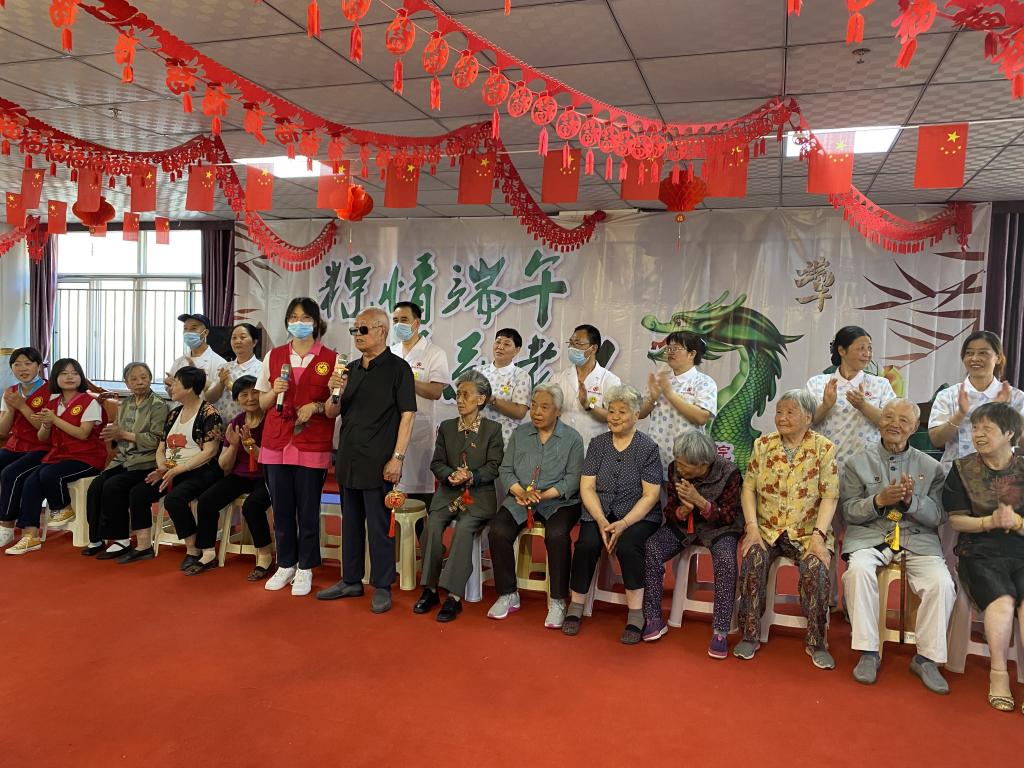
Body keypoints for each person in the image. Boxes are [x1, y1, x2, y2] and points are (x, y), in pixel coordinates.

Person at [840, 398, 955, 693]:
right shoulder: (856, 463)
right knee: (857, 572)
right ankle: (868, 651)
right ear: (880, 421)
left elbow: (939, 516)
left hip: (917, 537)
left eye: (903, 420)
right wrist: (878, 500)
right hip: (871, 535)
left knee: (941, 584)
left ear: (914, 428)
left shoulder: (932, 468)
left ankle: (926, 659)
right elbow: (849, 511)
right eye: (889, 417)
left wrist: (911, 501)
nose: (894, 424)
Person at [316, 306, 415, 614]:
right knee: (350, 524)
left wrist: (397, 458)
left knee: (379, 526)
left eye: (363, 329)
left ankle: (382, 585)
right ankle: (351, 580)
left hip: (380, 460)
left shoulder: (398, 369)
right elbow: (331, 412)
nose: (357, 336)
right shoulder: (349, 370)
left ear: (381, 331)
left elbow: (408, 416)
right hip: (348, 458)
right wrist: (335, 391)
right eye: (354, 330)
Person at [733, 389, 840, 669]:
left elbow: (830, 496)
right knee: (754, 559)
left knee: (816, 569)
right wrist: (752, 528)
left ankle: (817, 641)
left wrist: (818, 537)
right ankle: (750, 634)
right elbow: (748, 488)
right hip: (767, 528)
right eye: (779, 412)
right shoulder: (763, 445)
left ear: (808, 417)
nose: (782, 418)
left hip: (807, 531)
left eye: (790, 412)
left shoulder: (823, 448)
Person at [562, 385, 662, 643]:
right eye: (611, 411)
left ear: (636, 415)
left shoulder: (648, 448)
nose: (615, 417)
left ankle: (636, 614)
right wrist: (601, 520)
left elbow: (650, 495)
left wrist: (624, 523)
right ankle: (576, 605)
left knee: (629, 546)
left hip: (637, 515)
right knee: (586, 544)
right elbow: (587, 487)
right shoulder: (598, 444)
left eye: (622, 412)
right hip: (600, 511)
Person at [942, 402, 1024, 713]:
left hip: (1020, 548)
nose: (978, 434)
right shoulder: (963, 469)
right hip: (979, 551)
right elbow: (956, 521)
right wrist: (989, 521)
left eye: (987, 429)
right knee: (1003, 601)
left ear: (1009, 433)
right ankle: (999, 674)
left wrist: (1017, 522)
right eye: (975, 428)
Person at [255, 297, 338, 596]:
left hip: (312, 444)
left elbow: (335, 409)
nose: (298, 323)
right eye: (293, 317)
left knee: (307, 509)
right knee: (281, 508)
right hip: (276, 442)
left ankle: (306, 567)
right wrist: (274, 391)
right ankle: (286, 563)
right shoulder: (274, 356)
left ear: (316, 323)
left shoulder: (332, 359)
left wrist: (317, 405)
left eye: (305, 318)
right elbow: (261, 402)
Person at [488, 382, 584, 629]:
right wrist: (520, 492)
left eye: (544, 407)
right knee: (498, 530)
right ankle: (508, 594)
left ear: (558, 411)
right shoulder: (520, 434)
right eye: (533, 406)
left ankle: (558, 600)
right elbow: (506, 469)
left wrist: (542, 495)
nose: (537, 412)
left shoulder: (572, 438)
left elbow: (573, 479)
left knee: (557, 535)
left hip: (559, 502)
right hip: (521, 499)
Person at [641, 429, 742, 658]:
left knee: (726, 561)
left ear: (703, 464)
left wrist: (701, 503)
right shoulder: (674, 469)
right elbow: (670, 510)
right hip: (683, 527)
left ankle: (720, 631)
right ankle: (653, 617)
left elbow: (729, 516)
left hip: (720, 529)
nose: (679, 467)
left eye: (685, 464)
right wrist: (682, 511)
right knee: (653, 547)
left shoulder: (729, 472)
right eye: (677, 461)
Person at [413, 370, 504, 622]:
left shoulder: (492, 430)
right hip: (448, 493)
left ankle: (453, 596)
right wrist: (450, 475)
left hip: (478, 496)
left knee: (464, 529)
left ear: (481, 399)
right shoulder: (447, 427)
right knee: (432, 526)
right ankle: (430, 589)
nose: (460, 400)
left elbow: (494, 466)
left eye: (466, 395)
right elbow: (437, 463)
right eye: (459, 394)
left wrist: (471, 475)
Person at [117, 366, 224, 565]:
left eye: (175, 383)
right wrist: (163, 468)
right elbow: (161, 447)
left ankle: (193, 549)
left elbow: (210, 451)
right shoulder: (174, 413)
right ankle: (143, 546)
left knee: (175, 499)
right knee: (138, 492)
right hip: (171, 469)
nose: (170, 387)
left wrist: (178, 470)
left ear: (189, 387)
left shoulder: (209, 413)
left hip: (201, 470)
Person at [4, 358, 108, 555]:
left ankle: (62, 506)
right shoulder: (53, 403)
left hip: (87, 458)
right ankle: (30, 535)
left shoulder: (90, 402)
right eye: (64, 373)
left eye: (75, 373)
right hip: (60, 456)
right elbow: (43, 437)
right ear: (55, 378)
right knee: (30, 481)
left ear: (81, 377)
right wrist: (46, 424)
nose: (70, 377)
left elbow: (82, 434)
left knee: (49, 474)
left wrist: (54, 419)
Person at [190, 376, 273, 579]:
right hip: (240, 476)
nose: (250, 398)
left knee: (252, 506)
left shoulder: (271, 420)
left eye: (255, 392)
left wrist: (251, 447)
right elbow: (224, 465)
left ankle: (264, 556)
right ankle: (208, 553)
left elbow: (271, 461)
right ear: (236, 400)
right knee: (206, 501)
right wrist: (235, 445)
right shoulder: (236, 422)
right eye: (244, 394)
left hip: (267, 476)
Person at [84, 362, 169, 559]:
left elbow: (156, 440)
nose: (140, 382)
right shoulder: (126, 403)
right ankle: (96, 538)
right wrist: (112, 434)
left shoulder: (158, 405)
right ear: (127, 383)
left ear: (150, 379)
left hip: (146, 462)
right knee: (96, 486)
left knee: (114, 486)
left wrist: (123, 434)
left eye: (144, 377)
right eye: (134, 379)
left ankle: (121, 539)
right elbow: (118, 433)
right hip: (124, 459)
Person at [929, 331, 1024, 468]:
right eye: (969, 353)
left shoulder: (1016, 397)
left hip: (1002, 473)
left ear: (998, 358)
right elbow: (936, 440)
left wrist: (1003, 412)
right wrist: (960, 415)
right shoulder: (948, 395)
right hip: (956, 473)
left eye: (983, 353)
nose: (974, 358)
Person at [807, 326, 896, 468]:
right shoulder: (817, 383)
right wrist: (825, 406)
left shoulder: (881, 384)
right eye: (861, 348)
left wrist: (863, 406)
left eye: (870, 348)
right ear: (842, 350)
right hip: (825, 465)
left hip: (868, 467)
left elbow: (892, 424)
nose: (867, 354)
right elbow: (806, 423)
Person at [389, 301, 450, 506]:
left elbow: (436, 391)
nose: (398, 325)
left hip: (419, 431)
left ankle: (423, 528)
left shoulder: (434, 353)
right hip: (390, 429)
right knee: (390, 494)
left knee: (418, 497)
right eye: (395, 320)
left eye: (404, 320)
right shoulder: (390, 352)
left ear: (416, 323)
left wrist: (407, 380)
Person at [638, 331, 718, 471]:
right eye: (669, 348)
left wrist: (669, 394)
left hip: (687, 459)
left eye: (676, 348)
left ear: (691, 354)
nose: (670, 352)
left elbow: (701, 417)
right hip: (656, 455)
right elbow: (640, 414)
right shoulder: (661, 379)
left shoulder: (704, 382)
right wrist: (652, 399)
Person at [0, 347, 50, 549]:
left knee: (11, 474)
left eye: (28, 363)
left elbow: (44, 428)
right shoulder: (10, 392)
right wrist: (12, 409)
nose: (22, 368)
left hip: (42, 447)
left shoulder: (51, 390)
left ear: (38, 366)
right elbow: (3, 431)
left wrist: (22, 406)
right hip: (15, 445)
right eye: (17, 364)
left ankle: (6, 526)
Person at [553, 324, 621, 452]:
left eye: (577, 343)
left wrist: (588, 405)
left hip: (593, 449)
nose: (571, 348)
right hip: (561, 448)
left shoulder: (610, 380)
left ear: (593, 348)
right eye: (570, 343)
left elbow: (614, 417)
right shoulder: (558, 378)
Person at [478, 328, 530, 445]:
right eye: (498, 342)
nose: (500, 347)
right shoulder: (478, 372)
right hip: (478, 436)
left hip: (505, 439)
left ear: (517, 350)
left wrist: (492, 400)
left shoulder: (521, 376)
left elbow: (520, 412)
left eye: (506, 344)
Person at [206, 322, 262, 423]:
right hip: (220, 424)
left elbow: (260, 401)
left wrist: (231, 385)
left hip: (247, 424)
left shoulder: (262, 369)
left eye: (242, 337)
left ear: (254, 342)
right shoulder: (224, 367)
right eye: (234, 338)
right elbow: (209, 398)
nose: (237, 341)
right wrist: (221, 383)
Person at [165, 312, 226, 398]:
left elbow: (218, 397)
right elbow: (172, 396)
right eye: (185, 328)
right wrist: (171, 385)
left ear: (205, 333)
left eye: (193, 328)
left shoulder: (219, 363)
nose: (188, 332)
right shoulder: (179, 362)